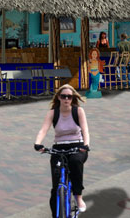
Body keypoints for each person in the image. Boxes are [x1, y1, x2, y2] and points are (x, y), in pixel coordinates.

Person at [34, 84, 90, 215]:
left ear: (72, 98)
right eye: (63, 96)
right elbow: (43, 130)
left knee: (75, 162)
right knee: (56, 187)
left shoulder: (78, 111)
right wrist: (38, 143)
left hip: (77, 146)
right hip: (59, 148)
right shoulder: (53, 113)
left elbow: (85, 130)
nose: (66, 99)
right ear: (58, 97)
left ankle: (78, 197)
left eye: (69, 97)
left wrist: (86, 145)